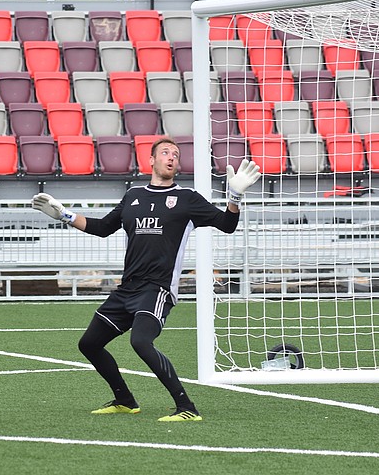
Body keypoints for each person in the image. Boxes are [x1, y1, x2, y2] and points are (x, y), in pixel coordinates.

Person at [32, 137, 260, 421]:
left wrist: (235, 198)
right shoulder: (132, 196)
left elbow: (227, 225)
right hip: (127, 290)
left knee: (140, 342)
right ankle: (125, 400)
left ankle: (187, 408)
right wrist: (65, 215)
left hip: (158, 290)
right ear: (150, 160)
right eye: (165, 152)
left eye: (176, 154)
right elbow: (103, 227)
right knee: (88, 344)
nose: (171, 157)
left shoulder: (188, 199)